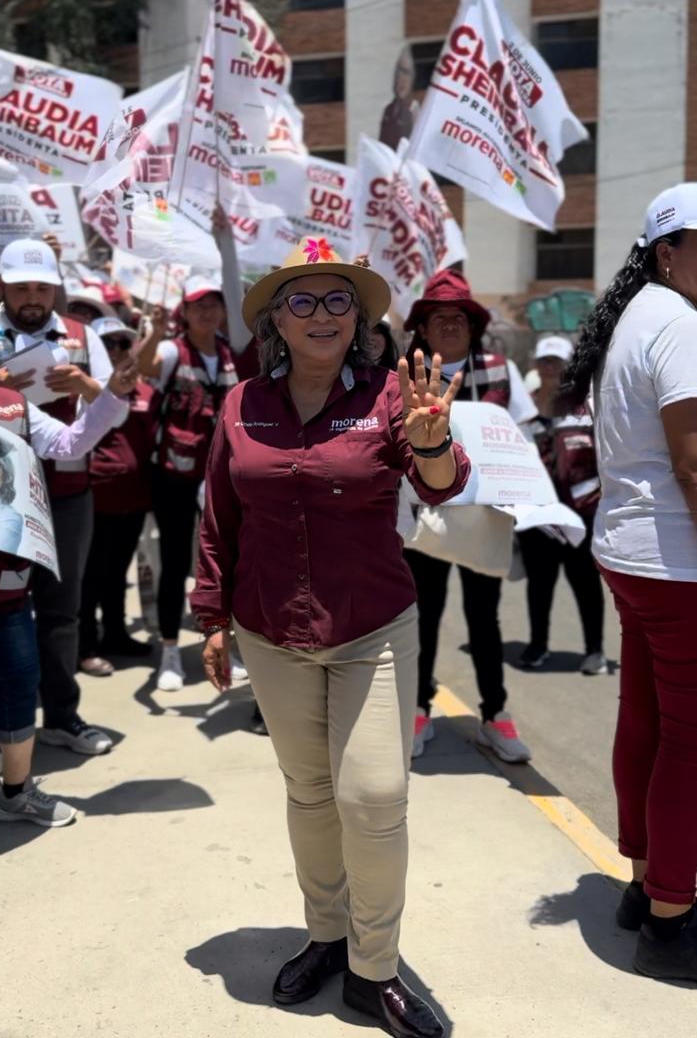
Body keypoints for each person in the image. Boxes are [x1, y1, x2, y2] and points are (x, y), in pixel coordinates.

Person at [192, 237, 471, 1038]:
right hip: (270, 628)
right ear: (276, 319)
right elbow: (219, 514)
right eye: (302, 301)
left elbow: (440, 485)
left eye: (338, 299)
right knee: (309, 793)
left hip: (371, 628)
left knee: (373, 797)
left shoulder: (392, 397)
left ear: (360, 316)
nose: (322, 314)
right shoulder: (240, 402)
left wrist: (429, 441)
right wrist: (212, 616)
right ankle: (325, 934)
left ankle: (372, 969)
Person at [558, 181, 697, 982]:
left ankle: (644, 886)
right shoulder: (679, 324)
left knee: (645, 720)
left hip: (633, 554)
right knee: (687, 742)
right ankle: (672, 921)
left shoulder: (639, 315)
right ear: (665, 251)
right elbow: (691, 464)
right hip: (678, 563)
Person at [0, 279, 134, 822]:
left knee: (18, 673)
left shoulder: (8, 402)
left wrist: (110, 398)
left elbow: (69, 444)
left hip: (2, 572)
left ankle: (16, 794)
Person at [0, 237, 117, 765]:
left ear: (55, 287)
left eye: (41, 286)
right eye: (21, 287)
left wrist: (87, 383)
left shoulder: (82, 335)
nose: (32, 297)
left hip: (66, 493)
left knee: (62, 613)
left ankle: (61, 715)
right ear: (3, 287)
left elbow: (114, 404)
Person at [403, 269, 535, 763]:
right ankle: (417, 710)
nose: (451, 325)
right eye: (440, 317)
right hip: (427, 516)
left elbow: (524, 432)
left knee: (485, 619)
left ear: (473, 325)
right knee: (424, 616)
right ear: (424, 328)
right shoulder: (408, 373)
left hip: (483, 515)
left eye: (459, 317)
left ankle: (494, 716)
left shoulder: (502, 368)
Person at [136, 276, 236, 691]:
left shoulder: (231, 354)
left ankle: (226, 645)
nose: (207, 312)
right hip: (173, 475)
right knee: (176, 563)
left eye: (213, 303)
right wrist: (154, 332)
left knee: (227, 562)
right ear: (185, 312)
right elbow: (144, 367)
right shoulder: (171, 350)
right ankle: (171, 653)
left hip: (221, 475)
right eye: (198, 306)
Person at [518, 336, 606, 674]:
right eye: (545, 361)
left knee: (584, 581)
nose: (550, 367)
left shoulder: (587, 408)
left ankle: (594, 650)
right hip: (536, 516)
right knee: (539, 584)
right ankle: (537, 645)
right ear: (537, 365)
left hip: (581, 512)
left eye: (557, 361)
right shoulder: (521, 410)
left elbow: (606, 456)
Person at [78, 318, 156, 673]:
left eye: (123, 343)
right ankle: (86, 645)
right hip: (94, 497)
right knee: (91, 574)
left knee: (117, 573)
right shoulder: (82, 390)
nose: (116, 350)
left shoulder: (147, 392)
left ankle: (115, 634)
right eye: (107, 343)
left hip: (135, 498)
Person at [379, 46, 420, 152]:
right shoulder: (388, 111)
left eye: (406, 72)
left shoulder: (415, 112)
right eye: (398, 71)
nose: (400, 78)